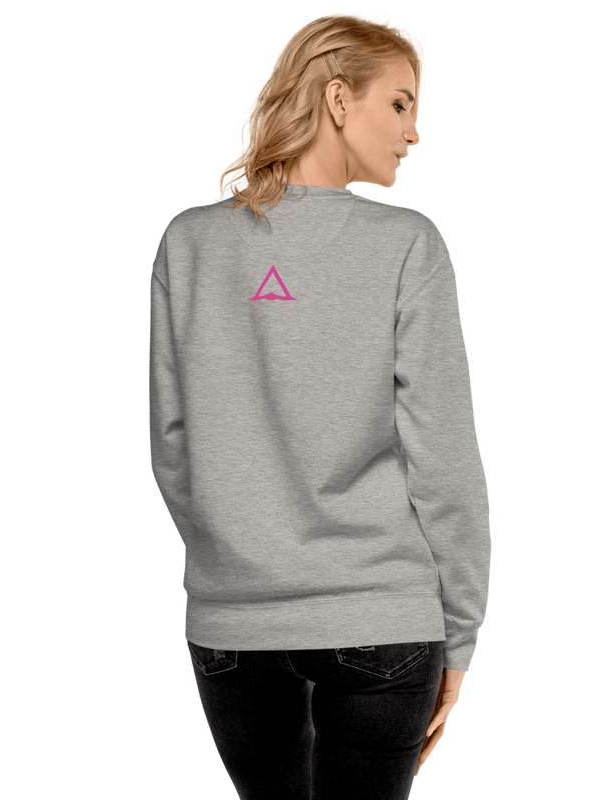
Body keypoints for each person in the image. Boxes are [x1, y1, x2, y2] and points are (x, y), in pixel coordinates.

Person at [148, 10, 492, 799]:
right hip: (383, 619)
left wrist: (235, 558)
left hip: (231, 626)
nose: (413, 131)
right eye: (400, 104)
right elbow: (443, 456)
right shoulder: (408, 244)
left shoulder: (187, 242)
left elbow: (171, 444)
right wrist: (460, 633)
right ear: (339, 99)